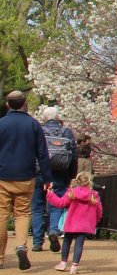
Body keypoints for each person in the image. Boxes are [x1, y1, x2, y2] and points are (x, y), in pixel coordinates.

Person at [0, 90, 50, 271]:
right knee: (22, 214)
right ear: (24, 104)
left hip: (2, 177)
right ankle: (21, 245)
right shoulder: (33, 124)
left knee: (1, 216)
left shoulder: (1, 124)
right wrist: (47, 177)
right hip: (26, 177)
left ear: (8, 105)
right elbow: (43, 154)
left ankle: (0, 258)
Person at [32, 106, 78, 253]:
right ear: (58, 117)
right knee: (56, 204)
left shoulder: (38, 130)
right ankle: (53, 231)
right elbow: (74, 156)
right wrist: (71, 175)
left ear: (44, 118)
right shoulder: (66, 132)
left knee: (38, 207)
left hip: (39, 172)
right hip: (60, 173)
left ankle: (37, 242)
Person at [46, 171, 102, 273]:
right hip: (85, 224)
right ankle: (74, 266)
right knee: (79, 244)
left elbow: (60, 203)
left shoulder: (72, 193)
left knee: (67, 242)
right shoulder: (94, 195)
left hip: (71, 222)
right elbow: (99, 210)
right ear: (90, 183)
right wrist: (97, 220)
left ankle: (63, 263)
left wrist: (50, 195)